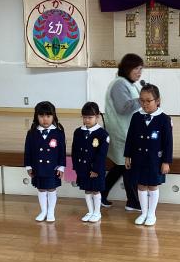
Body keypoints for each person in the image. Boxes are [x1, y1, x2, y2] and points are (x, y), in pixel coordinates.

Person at [124, 83, 173, 226]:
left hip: (155, 160)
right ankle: (143, 213)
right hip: (138, 158)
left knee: (152, 186)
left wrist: (166, 162)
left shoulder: (164, 119)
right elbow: (130, 138)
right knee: (141, 185)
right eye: (141, 100)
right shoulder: (136, 117)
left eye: (148, 101)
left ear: (157, 101)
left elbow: (168, 143)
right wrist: (127, 156)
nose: (144, 104)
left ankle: (151, 214)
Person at [101, 53, 144, 211]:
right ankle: (132, 201)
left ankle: (103, 194)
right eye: (136, 69)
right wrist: (143, 100)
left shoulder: (128, 83)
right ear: (127, 68)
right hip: (120, 132)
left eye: (141, 69)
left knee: (121, 166)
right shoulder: (119, 84)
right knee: (126, 166)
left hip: (125, 131)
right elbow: (123, 107)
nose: (139, 73)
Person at [24, 101, 66, 222]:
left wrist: (61, 167)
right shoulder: (32, 133)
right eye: (41, 116)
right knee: (41, 189)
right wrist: (28, 166)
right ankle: (43, 211)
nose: (45, 119)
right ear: (36, 117)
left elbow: (62, 151)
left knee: (52, 189)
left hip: (52, 168)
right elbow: (27, 150)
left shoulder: (58, 133)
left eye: (48, 116)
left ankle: (51, 212)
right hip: (38, 167)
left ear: (53, 116)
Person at [71, 102, 110, 222]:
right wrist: (76, 166)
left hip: (95, 169)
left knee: (95, 190)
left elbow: (101, 155)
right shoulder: (78, 132)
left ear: (97, 117)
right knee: (87, 189)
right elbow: (75, 150)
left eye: (90, 117)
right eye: (84, 117)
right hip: (83, 168)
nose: (87, 120)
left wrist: (95, 169)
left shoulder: (102, 134)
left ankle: (97, 212)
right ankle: (90, 211)